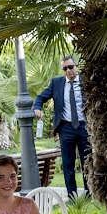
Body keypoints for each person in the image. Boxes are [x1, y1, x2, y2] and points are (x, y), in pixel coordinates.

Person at [33, 55, 89, 199]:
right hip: (66, 128)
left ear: (75, 66)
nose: (69, 70)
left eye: (71, 67)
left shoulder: (86, 80)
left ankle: (90, 194)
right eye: (65, 68)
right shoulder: (56, 83)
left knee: (87, 162)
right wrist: (37, 108)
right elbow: (40, 97)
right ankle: (72, 196)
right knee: (68, 163)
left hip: (84, 127)